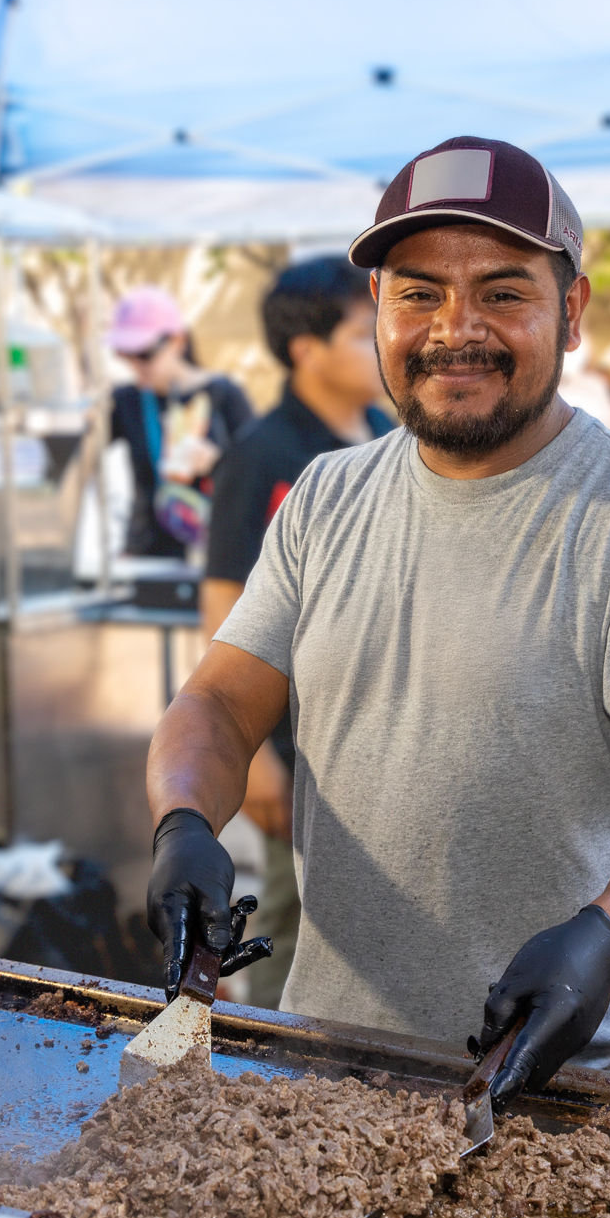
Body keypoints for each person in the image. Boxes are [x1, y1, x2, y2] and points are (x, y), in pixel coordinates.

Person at [143, 136, 610, 1105]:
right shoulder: (325, 495)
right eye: (417, 292)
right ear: (379, 309)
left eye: (504, 292)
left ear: (573, 310)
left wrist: (608, 933)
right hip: (322, 1060)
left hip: (537, 1082)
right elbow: (220, 700)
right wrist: (183, 822)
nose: (454, 327)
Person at [201, 255, 396, 1008]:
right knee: (293, 918)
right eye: (358, 332)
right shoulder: (263, 455)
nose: (381, 344)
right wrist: (250, 756)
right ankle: (274, 1079)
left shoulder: (386, 430)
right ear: (304, 350)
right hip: (295, 740)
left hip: (375, 734)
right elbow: (223, 605)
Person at [105, 286, 257, 558]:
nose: (135, 365)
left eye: (144, 354)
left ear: (177, 341)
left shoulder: (225, 395)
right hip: (146, 553)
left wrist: (217, 462)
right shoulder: (126, 400)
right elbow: (82, 453)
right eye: (125, 353)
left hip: (218, 552)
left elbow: (260, 474)